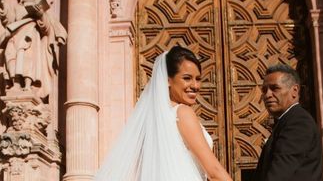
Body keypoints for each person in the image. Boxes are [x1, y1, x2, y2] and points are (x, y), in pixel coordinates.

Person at [95, 46, 232, 181]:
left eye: (198, 79)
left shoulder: (153, 119)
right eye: (187, 78)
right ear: (168, 80)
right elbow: (214, 171)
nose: (195, 85)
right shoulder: (183, 113)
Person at [255, 64, 322, 181]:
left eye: (275, 88)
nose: (267, 95)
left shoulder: (298, 123)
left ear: (294, 91)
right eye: (264, 90)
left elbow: (279, 173)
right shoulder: (286, 121)